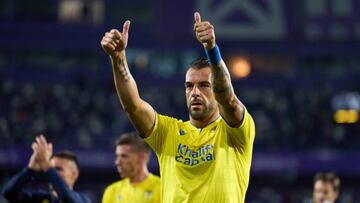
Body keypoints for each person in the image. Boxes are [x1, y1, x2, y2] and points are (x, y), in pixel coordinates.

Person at [100, 11, 255, 202]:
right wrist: (118, 60)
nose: (195, 92)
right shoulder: (168, 133)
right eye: (189, 86)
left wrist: (212, 50)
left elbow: (228, 100)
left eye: (205, 86)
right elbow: (133, 105)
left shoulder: (235, 133)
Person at [2, 135, 91, 203]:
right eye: (52, 169)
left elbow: (67, 199)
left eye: (58, 169)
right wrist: (30, 169)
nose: (52, 172)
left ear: (74, 174)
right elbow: (9, 193)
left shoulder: (84, 200)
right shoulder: (42, 199)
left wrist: (47, 166)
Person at [102, 132, 160, 203]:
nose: (117, 162)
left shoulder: (161, 188)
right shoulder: (112, 191)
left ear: (142, 158)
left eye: (124, 156)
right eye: (117, 156)